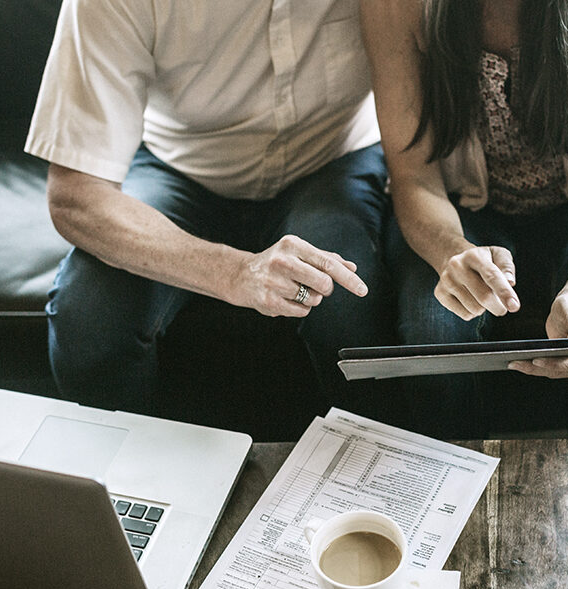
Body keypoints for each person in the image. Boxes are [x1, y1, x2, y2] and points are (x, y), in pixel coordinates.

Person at [25, 0, 398, 421]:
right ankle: (133, 482)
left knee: (348, 304)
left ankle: (371, 481)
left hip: (331, 157)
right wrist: (235, 272)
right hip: (181, 163)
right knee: (91, 319)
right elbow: (76, 196)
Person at [361, 0, 568, 437]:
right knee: (433, 324)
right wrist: (454, 254)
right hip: (458, 208)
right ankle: (447, 496)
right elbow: (415, 180)